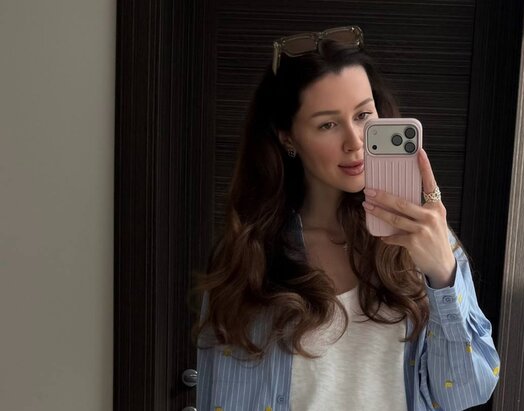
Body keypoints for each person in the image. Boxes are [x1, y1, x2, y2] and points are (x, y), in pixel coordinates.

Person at [194, 26, 500, 411]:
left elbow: (466, 393)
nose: (355, 141)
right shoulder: (248, 257)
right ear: (288, 137)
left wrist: (442, 274)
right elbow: (222, 398)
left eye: (363, 115)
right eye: (328, 124)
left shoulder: (427, 240)